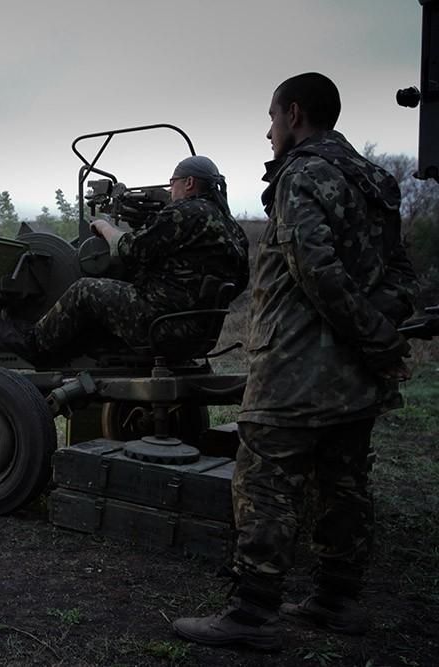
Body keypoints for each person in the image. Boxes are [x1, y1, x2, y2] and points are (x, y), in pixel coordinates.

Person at [173, 73, 419, 652]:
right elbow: (401, 275)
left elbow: (317, 273)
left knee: (263, 483)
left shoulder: (302, 175)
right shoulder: (375, 180)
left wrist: (374, 338)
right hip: (355, 375)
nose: (268, 131)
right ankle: (336, 602)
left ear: (295, 113)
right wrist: (377, 335)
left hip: (293, 367)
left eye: (272, 118)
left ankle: (252, 616)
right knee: (345, 482)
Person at [0, 155, 250, 363]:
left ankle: (35, 343)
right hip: (199, 332)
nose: (171, 190)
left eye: (173, 183)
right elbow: (238, 281)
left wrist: (103, 227)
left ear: (189, 183)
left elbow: (130, 249)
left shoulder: (186, 213)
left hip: (161, 324)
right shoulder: (231, 227)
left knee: (85, 290)